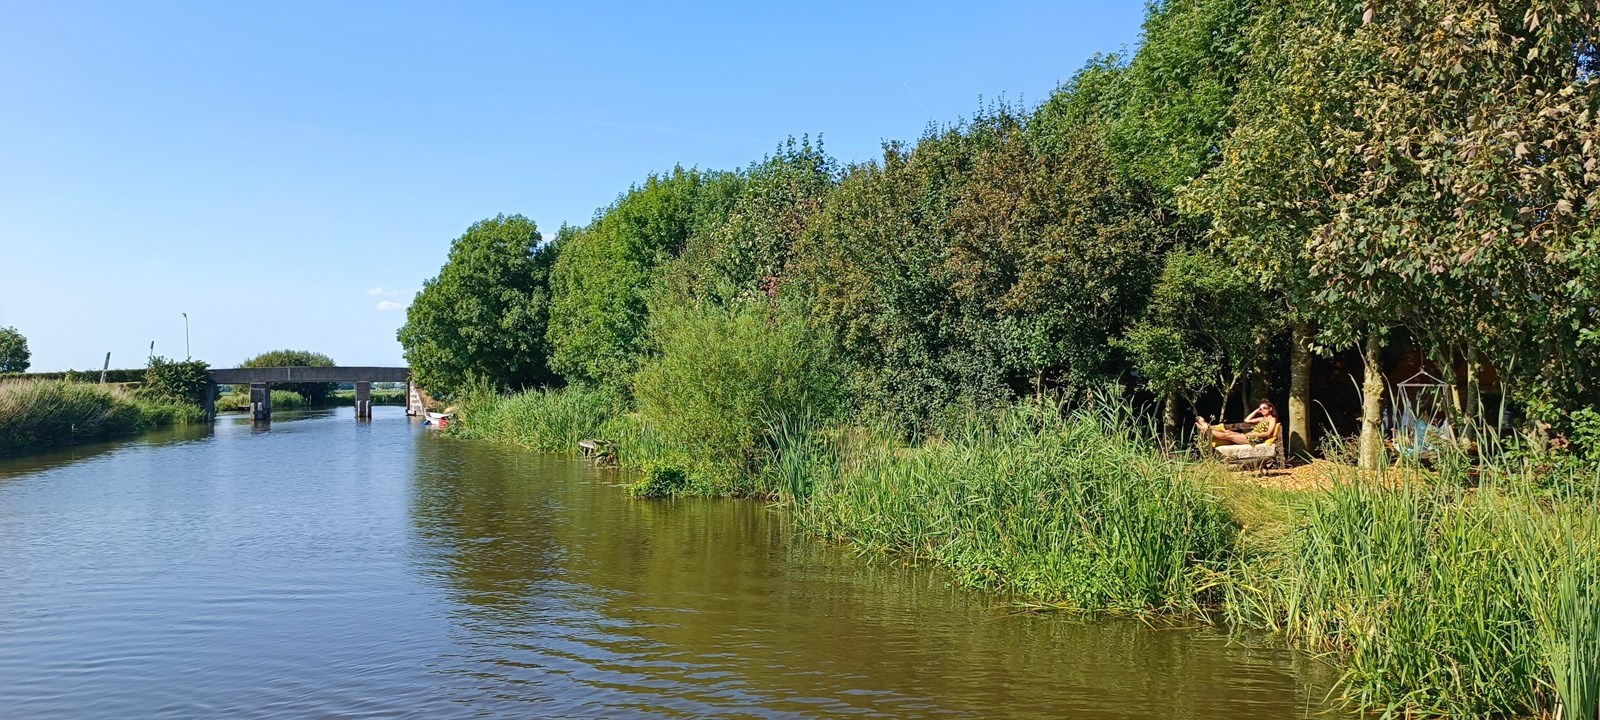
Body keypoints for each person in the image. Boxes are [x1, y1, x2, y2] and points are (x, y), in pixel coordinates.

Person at [1196, 400, 1279, 447]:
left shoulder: (1272, 419)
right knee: (1228, 432)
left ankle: (1207, 428)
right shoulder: (1261, 419)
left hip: (1255, 440)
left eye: (1264, 408)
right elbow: (1247, 420)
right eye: (1261, 409)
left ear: (1270, 408)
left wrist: (1252, 435)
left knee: (1229, 436)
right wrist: (1257, 410)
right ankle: (1208, 427)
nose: (1262, 410)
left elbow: (1267, 433)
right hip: (1250, 436)